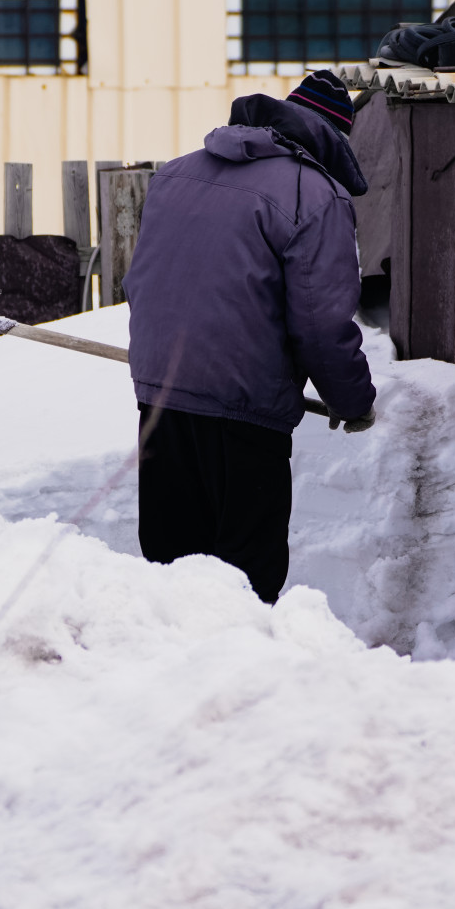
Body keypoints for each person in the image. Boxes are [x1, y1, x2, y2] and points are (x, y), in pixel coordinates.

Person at [122, 69, 376, 603]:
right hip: (244, 413)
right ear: (333, 140)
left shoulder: (176, 173)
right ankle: (241, 683)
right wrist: (352, 400)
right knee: (244, 580)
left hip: (160, 399)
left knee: (169, 574)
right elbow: (320, 322)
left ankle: (167, 679)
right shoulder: (316, 193)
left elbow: (144, 282)